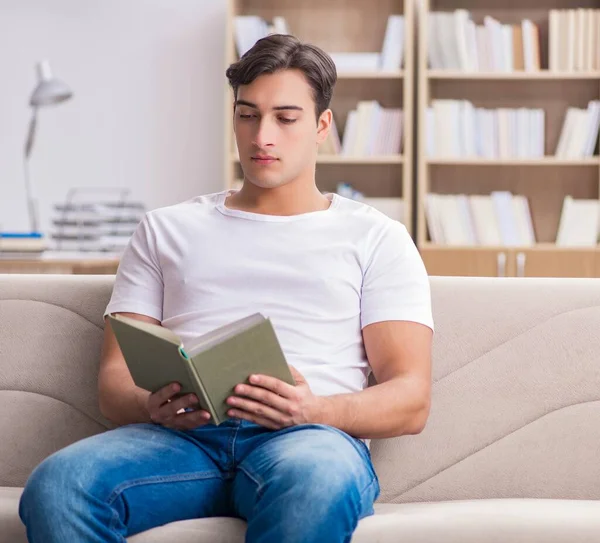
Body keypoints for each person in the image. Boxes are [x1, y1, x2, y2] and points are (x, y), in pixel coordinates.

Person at [19, 34, 434, 543]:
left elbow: (411, 397)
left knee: (315, 485)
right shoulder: (164, 229)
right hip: (181, 441)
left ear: (322, 125)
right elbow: (114, 382)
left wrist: (314, 409)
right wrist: (151, 405)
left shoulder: (377, 237)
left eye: (285, 118)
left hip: (307, 440)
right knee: (59, 485)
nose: (263, 136)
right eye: (247, 115)